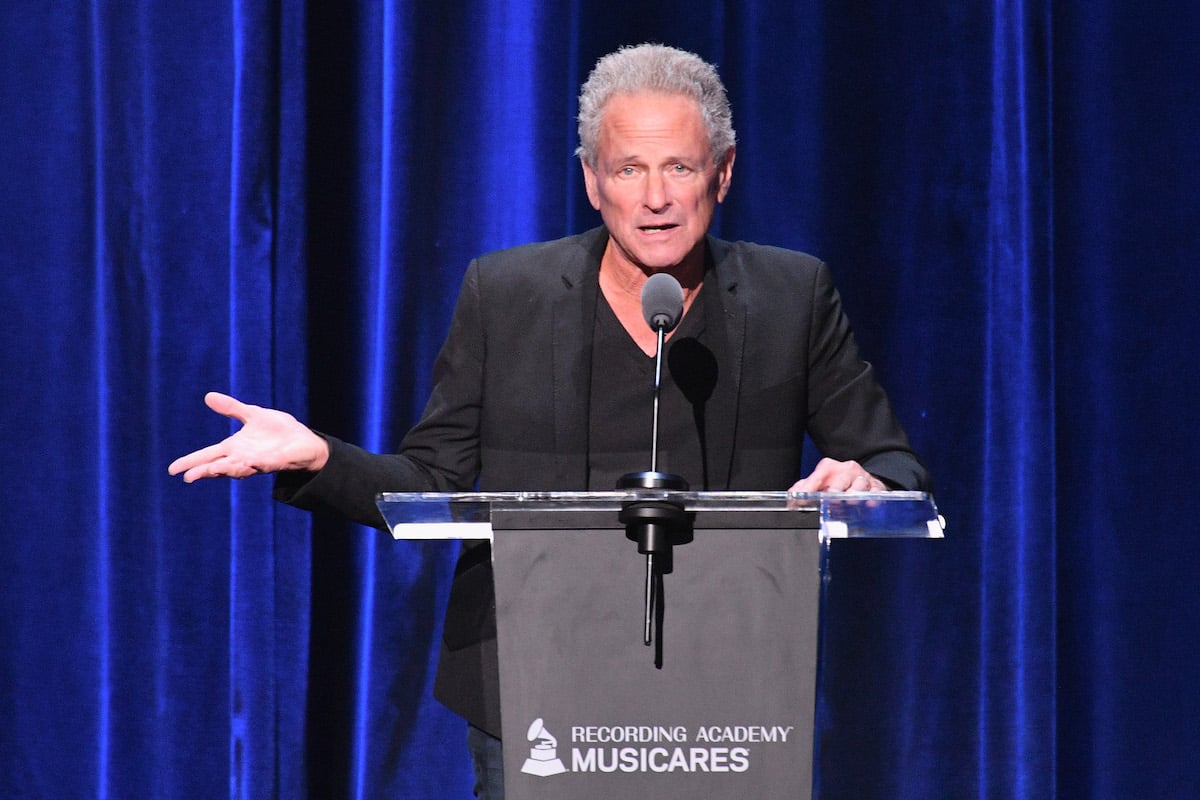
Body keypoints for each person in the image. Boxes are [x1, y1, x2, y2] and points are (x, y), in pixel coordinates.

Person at [170, 43, 931, 799]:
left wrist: (861, 479)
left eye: (680, 168)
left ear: (723, 174)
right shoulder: (505, 296)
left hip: (727, 698)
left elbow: (894, 468)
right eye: (629, 169)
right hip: (537, 690)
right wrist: (315, 457)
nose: (655, 197)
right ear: (593, 181)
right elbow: (431, 479)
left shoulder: (791, 297)